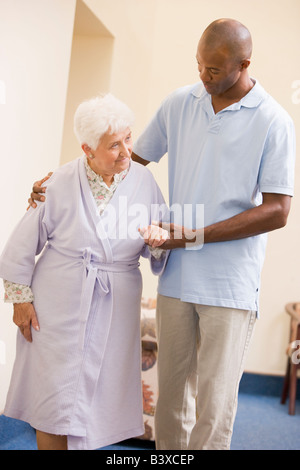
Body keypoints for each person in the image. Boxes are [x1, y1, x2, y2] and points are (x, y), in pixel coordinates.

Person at [28, 18, 296, 450]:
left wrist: (195, 235)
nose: (203, 76)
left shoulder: (274, 121)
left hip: (230, 285)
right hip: (178, 277)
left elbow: (278, 211)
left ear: (244, 64)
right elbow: (123, 162)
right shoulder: (181, 103)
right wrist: (57, 181)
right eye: (199, 66)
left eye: (214, 70)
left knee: (214, 404)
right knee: (172, 400)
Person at [0, 94, 169, 450]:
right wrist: (20, 300)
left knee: (96, 400)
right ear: (88, 149)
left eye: (128, 138)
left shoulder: (144, 183)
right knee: (51, 398)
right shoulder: (57, 182)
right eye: (113, 145)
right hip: (56, 305)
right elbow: (20, 245)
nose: (126, 151)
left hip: (115, 305)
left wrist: (158, 241)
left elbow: (160, 240)